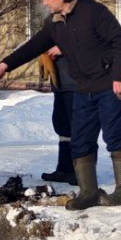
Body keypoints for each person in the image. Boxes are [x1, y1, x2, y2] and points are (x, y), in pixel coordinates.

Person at [0, 0, 121, 210]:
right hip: (83, 88)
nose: (43, 2)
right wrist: (5, 64)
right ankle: (88, 192)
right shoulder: (55, 22)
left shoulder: (93, 12)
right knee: (80, 142)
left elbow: (119, 41)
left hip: (109, 85)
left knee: (115, 137)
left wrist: (118, 75)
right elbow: (34, 46)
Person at [39, 46, 78, 186]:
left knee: (77, 127)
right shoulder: (55, 24)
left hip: (75, 82)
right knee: (62, 124)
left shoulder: (80, 24)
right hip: (59, 81)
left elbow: (85, 41)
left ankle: (80, 172)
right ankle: (64, 168)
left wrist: (63, 48)